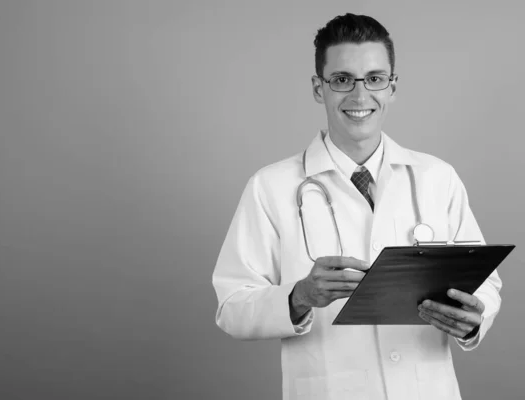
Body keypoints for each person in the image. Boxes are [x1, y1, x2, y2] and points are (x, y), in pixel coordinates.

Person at [212, 13, 502, 400]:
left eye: (375, 79)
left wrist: (471, 317)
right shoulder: (271, 186)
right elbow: (231, 308)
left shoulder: (437, 176)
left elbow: (485, 284)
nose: (360, 96)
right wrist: (299, 297)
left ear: (393, 87)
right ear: (319, 88)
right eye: (342, 79)